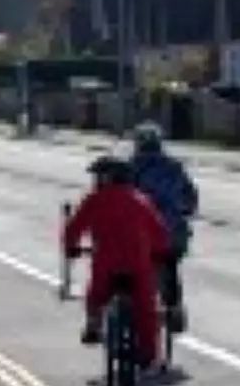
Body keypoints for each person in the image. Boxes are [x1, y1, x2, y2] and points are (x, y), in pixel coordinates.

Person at [62, 155, 171, 372]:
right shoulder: (140, 199)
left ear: (109, 178)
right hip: (138, 261)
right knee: (146, 307)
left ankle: (94, 323)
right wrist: (161, 252)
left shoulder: (94, 199)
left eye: (99, 177)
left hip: (106, 259)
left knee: (96, 293)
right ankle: (148, 354)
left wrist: (71, 247)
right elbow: (159, 230)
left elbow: (75, 227)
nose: (96, 181)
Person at [128, 121, 199, 333]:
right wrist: (182, 211)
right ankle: (174, 307)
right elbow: (191, 199)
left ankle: (131, 306)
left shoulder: (130, 168)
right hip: (172, 233)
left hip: (139, 234)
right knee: (170, 264)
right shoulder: (175, 167)